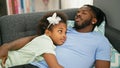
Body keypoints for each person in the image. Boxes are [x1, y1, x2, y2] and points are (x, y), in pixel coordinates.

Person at [0, 5, 111, 68]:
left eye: (84, 13)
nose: (78, 14)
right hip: (36, 66)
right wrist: (6, 46)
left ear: (94, 20)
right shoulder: (63, 30)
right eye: (78, 12)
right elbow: (34, 39)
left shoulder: (101, 41)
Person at [0, 12, 67, 68]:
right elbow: (54, 66)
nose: (64, 35)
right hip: (6, 62)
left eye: (65, 32)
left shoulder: (41, 39)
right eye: (60, 31)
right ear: (48, 32)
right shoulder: (45, 41)